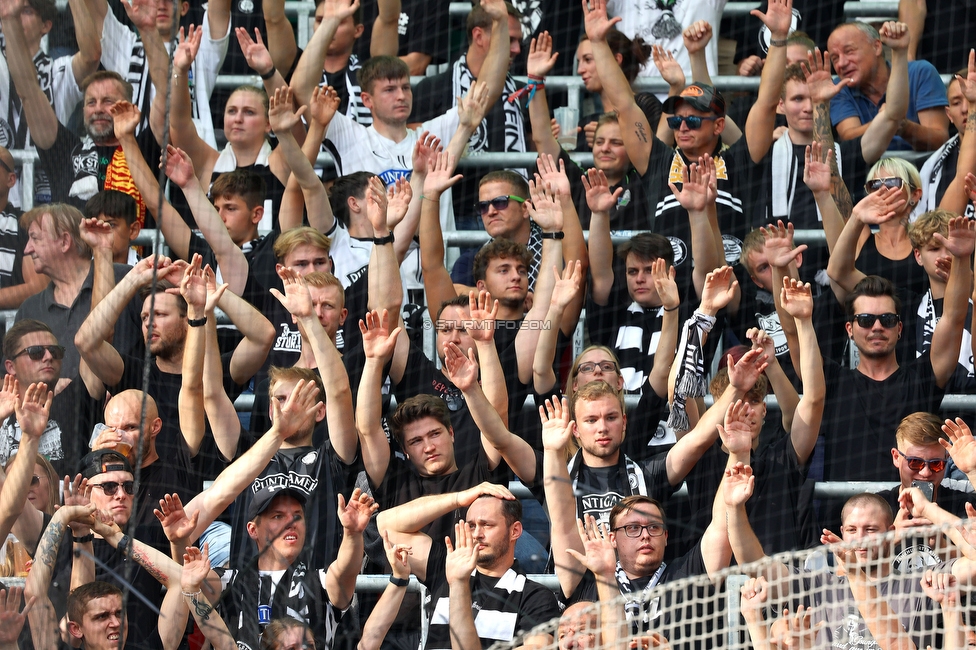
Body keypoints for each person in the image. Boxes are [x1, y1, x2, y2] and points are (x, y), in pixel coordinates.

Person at [727, 475, 940, 650]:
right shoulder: (816, 585)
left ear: (891, 532)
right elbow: (754, 564)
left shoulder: (921, 584)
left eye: (871, 530)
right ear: (841, 533)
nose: (860, 538)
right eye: (852, 530)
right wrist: (735, 509)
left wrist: (972, 472)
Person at [409, 1, 529, 222]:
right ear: (478, 36)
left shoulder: (522, 91)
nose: (516, 49)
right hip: (454, 215)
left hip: (509, 215)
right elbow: (413, 144)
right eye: (509, 39)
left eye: (518, 41)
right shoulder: (432, 88)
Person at [16, 204, 142, 379]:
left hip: (124, 400)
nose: (27, 249)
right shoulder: (29, 309)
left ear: (65, 242)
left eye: (35, 239)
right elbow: (9, 376)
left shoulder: (126, 279)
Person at [0, 0, 100, 207]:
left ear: (46, 26)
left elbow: (91, 57)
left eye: (26, 11)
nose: (17, 14)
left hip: (47, 203)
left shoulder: (57, 72)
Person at [91, 0, 231, 147]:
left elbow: (220, 9)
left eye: (170, 1)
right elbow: (95, 8)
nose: (162, 6)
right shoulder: (125, 45)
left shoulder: (198, 46)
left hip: (192, 159)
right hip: (134, 160)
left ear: (184, 8)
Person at [427, 497, 559, 650]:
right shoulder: (446, 568)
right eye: (471, 525)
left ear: (515, 531)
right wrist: (457, 498)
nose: (477, 534)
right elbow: (394, 528)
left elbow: (538, 646)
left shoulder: (536, 597)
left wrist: (458, 584)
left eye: (486, 525)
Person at [0, 320, 103, 477]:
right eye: (36, 352)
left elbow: (92, 337)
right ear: (10, 366)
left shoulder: (77, 400)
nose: (48, 357)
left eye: (55, 351)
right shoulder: (1, 414)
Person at [827, 20, 948, 151]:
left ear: (877, 47)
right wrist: (889, 119)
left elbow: (939, 140)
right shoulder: (839, 87)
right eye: (835, 58)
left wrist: (904, 127)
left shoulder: (920, 73)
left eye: (849, 51)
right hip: (868, 171)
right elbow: (850, 138)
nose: (841, 63)